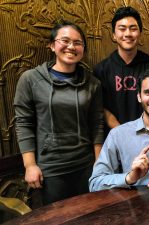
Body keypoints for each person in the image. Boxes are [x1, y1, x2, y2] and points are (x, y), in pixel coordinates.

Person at [14, 20, 104, 205]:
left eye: (78, 43)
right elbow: (23, 123)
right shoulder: (31, 79)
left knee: (89, 215)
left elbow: (97, 123)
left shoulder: (92, 83)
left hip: (85, 165)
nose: (71, 47)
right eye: (65, 41)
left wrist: (99, 163)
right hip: (50, 168)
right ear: (52, 45)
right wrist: (30, 165)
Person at [94, 6, 149, 135]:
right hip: (115, 136)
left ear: (140, 33)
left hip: (147, 134)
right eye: (122, 29)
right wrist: (123, 132)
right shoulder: (102, 69)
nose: (128, 34)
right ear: (113, 34)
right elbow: (101, 107)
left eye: (133, 28)